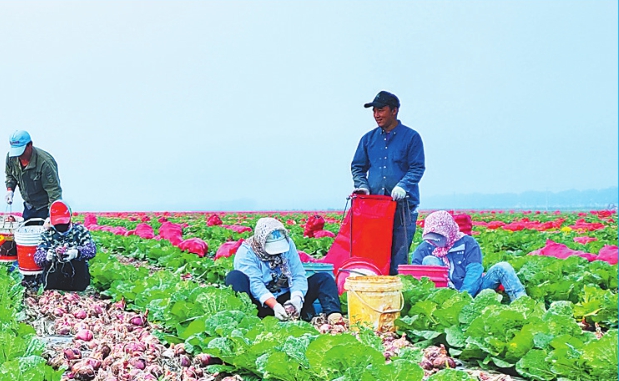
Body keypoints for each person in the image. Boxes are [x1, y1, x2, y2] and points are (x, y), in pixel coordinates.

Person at [351, 91, 425, 275]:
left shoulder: (411, 137)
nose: (377, 115)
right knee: (373, 257)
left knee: (398, 259)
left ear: (394, 111)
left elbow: (417, 167)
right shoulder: (368, 139)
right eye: (374, 111)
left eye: (381, 110)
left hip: (403, 208)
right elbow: (358, 166)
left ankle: (396, 296)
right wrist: (362, 185)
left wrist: (403, 186)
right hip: (375, 208)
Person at [225, 218, 343, 323]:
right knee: (234, 277)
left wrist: (296, 299)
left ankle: (334, 317)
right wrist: (275, 306)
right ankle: (245, 320)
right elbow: (255, 285)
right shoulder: (246, 253)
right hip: (259, 303)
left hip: (285, 298)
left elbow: (298, 274)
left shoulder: (288, 244)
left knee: (324, 278)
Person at [412, 210, 526, 301]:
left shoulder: (468, 243)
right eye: (431, 238)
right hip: (443, 297)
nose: (435, 241)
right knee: (429, 260)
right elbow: (415, 276)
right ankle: (444, 299)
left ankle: (521, 303)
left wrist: (464, 297)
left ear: (448, 231)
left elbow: (474, 271)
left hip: (474, 290)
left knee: (503, 267)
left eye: (438, 237)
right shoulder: (424, 248)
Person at [34, 201, 96, 292]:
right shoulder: (47, 234)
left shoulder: (80, 231)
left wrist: (76, 253)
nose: (61, 227)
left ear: (70, 218)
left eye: (63, 223)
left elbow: (91, 250)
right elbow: (37, 257)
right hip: (53, 281)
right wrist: (47, 257)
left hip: (78, 280)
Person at [5, 130, 62, 221]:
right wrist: (10, 190)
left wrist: (52, 216)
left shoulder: (45, 163)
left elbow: (54, 192)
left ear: (30, 145)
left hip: (45, 207)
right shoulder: (12, 158)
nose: (19, 156)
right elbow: (10, 175)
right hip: (29, 206)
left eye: (21, 151)